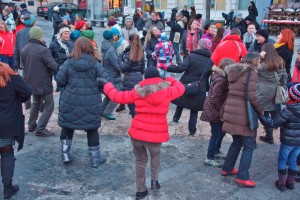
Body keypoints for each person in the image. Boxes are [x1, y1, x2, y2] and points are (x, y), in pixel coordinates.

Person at [98, 66, 185, 200]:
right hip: (156, 133)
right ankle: (154, 181)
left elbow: (118, 96)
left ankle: (140, 190)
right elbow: (180, 87)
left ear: (145, 78)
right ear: (158, 78)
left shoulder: (137, 91)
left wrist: (107, 85)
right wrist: (167, 78)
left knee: (140, 160)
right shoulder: (167, 90)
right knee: (155, 155)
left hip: (138, 133)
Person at [55, 37, 108, 167]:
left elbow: (60, 81)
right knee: (92, 129)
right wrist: (96, 88)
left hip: (70, 100)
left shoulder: (68, 62)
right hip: (91, 101)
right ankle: (95, 159)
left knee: (67, 126)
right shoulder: (95, 63)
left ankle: (65, 154)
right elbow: (106, 81)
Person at [221, 52, 263, 188]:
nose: (260, 63)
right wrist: (260, 110)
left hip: (231, 109)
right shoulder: (251, 73)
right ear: (254, 61)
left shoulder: (234, 71)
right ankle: (242, 176)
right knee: (249, 145)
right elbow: (252, 96)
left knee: (237, 141)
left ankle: (227, 168)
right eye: (259, 60)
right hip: (243, 113)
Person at [258, 83, 300, 191]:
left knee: (282, 160)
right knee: (293, 160)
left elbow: (274, 123)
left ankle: (281, 183)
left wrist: (261, 117)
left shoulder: (289, 110)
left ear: (291, 96)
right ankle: (290, 183)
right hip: (298, 142)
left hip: (287, 141)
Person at [167, 38, 213, 135]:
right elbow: (209, 75)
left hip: (186, 83)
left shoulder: (192, 56)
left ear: (199, 45)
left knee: (181, 101)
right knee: (194, 109)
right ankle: (192, 131)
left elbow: (181, 68)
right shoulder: (210, 60)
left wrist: (168, 67)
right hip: (200, 86)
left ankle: (175, 119)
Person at [0, 62, 31, 199]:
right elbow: (27, 91)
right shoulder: (9, 74)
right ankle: (7, 188)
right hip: (5, 124)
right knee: (6, 153)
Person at [21, 26, 58, 136]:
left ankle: (32, 125)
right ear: (39, 36)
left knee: (36, 103)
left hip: (30, 81)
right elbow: (53, 66)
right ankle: (40, 129)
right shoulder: (43, 50)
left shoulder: (25, 49)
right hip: (43, 82)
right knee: (49, 106)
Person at [201, 58, 235, 167]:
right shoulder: (221, 80)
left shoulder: (219, 76)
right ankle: (209, 158)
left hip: (214, 110)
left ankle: (216, 151)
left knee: (221, 133)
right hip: (214, 111)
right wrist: (221, 110)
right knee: (216, 134)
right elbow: (215, 98)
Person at [257, 44, 287, 144]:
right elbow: (284, 77)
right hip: (276, 91)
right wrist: (282, 86)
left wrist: (259, 56)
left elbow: (248, 66)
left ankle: (254, 139)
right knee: (272, 112)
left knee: (261, 114)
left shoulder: (262, 65)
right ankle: (270, 135)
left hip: (263, 91)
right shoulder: (280, 61)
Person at [119, 33, 145, 117]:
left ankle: (136, 119)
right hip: (139, 77)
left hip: (129, 78)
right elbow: (143, 67)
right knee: (137, 100)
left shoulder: (129, 52)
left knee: (131, 102)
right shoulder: (141, 50)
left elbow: (124, 67)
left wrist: (119, 59)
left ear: (129, 41)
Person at [14, 14, 35, 110]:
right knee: (36, 81)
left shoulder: (19, 32)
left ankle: (27, 101)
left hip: (23, 61)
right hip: (35, 60)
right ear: (33, 22)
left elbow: (16, 49)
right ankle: (37, 101)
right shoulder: (35, 31)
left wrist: (17, 62)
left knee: (26, 81)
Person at [101, 30, 122, 120]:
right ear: (111, 37)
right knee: (116, 95)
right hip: (112, 75)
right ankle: (107, 112)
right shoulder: (111, 49)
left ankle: (102, 110)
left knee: (109, 94)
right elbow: (116, 64)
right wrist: (122, 69)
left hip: (107, 73)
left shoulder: (104, 45)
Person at [49, 25, 74, 92]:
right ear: (61, 35)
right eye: (65, 34)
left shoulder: (72, 44)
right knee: (61, 88)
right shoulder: (54, 44)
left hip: (70, 68)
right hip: (59, 69)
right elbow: (50, 57)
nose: (67, 35)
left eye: (68, 34)